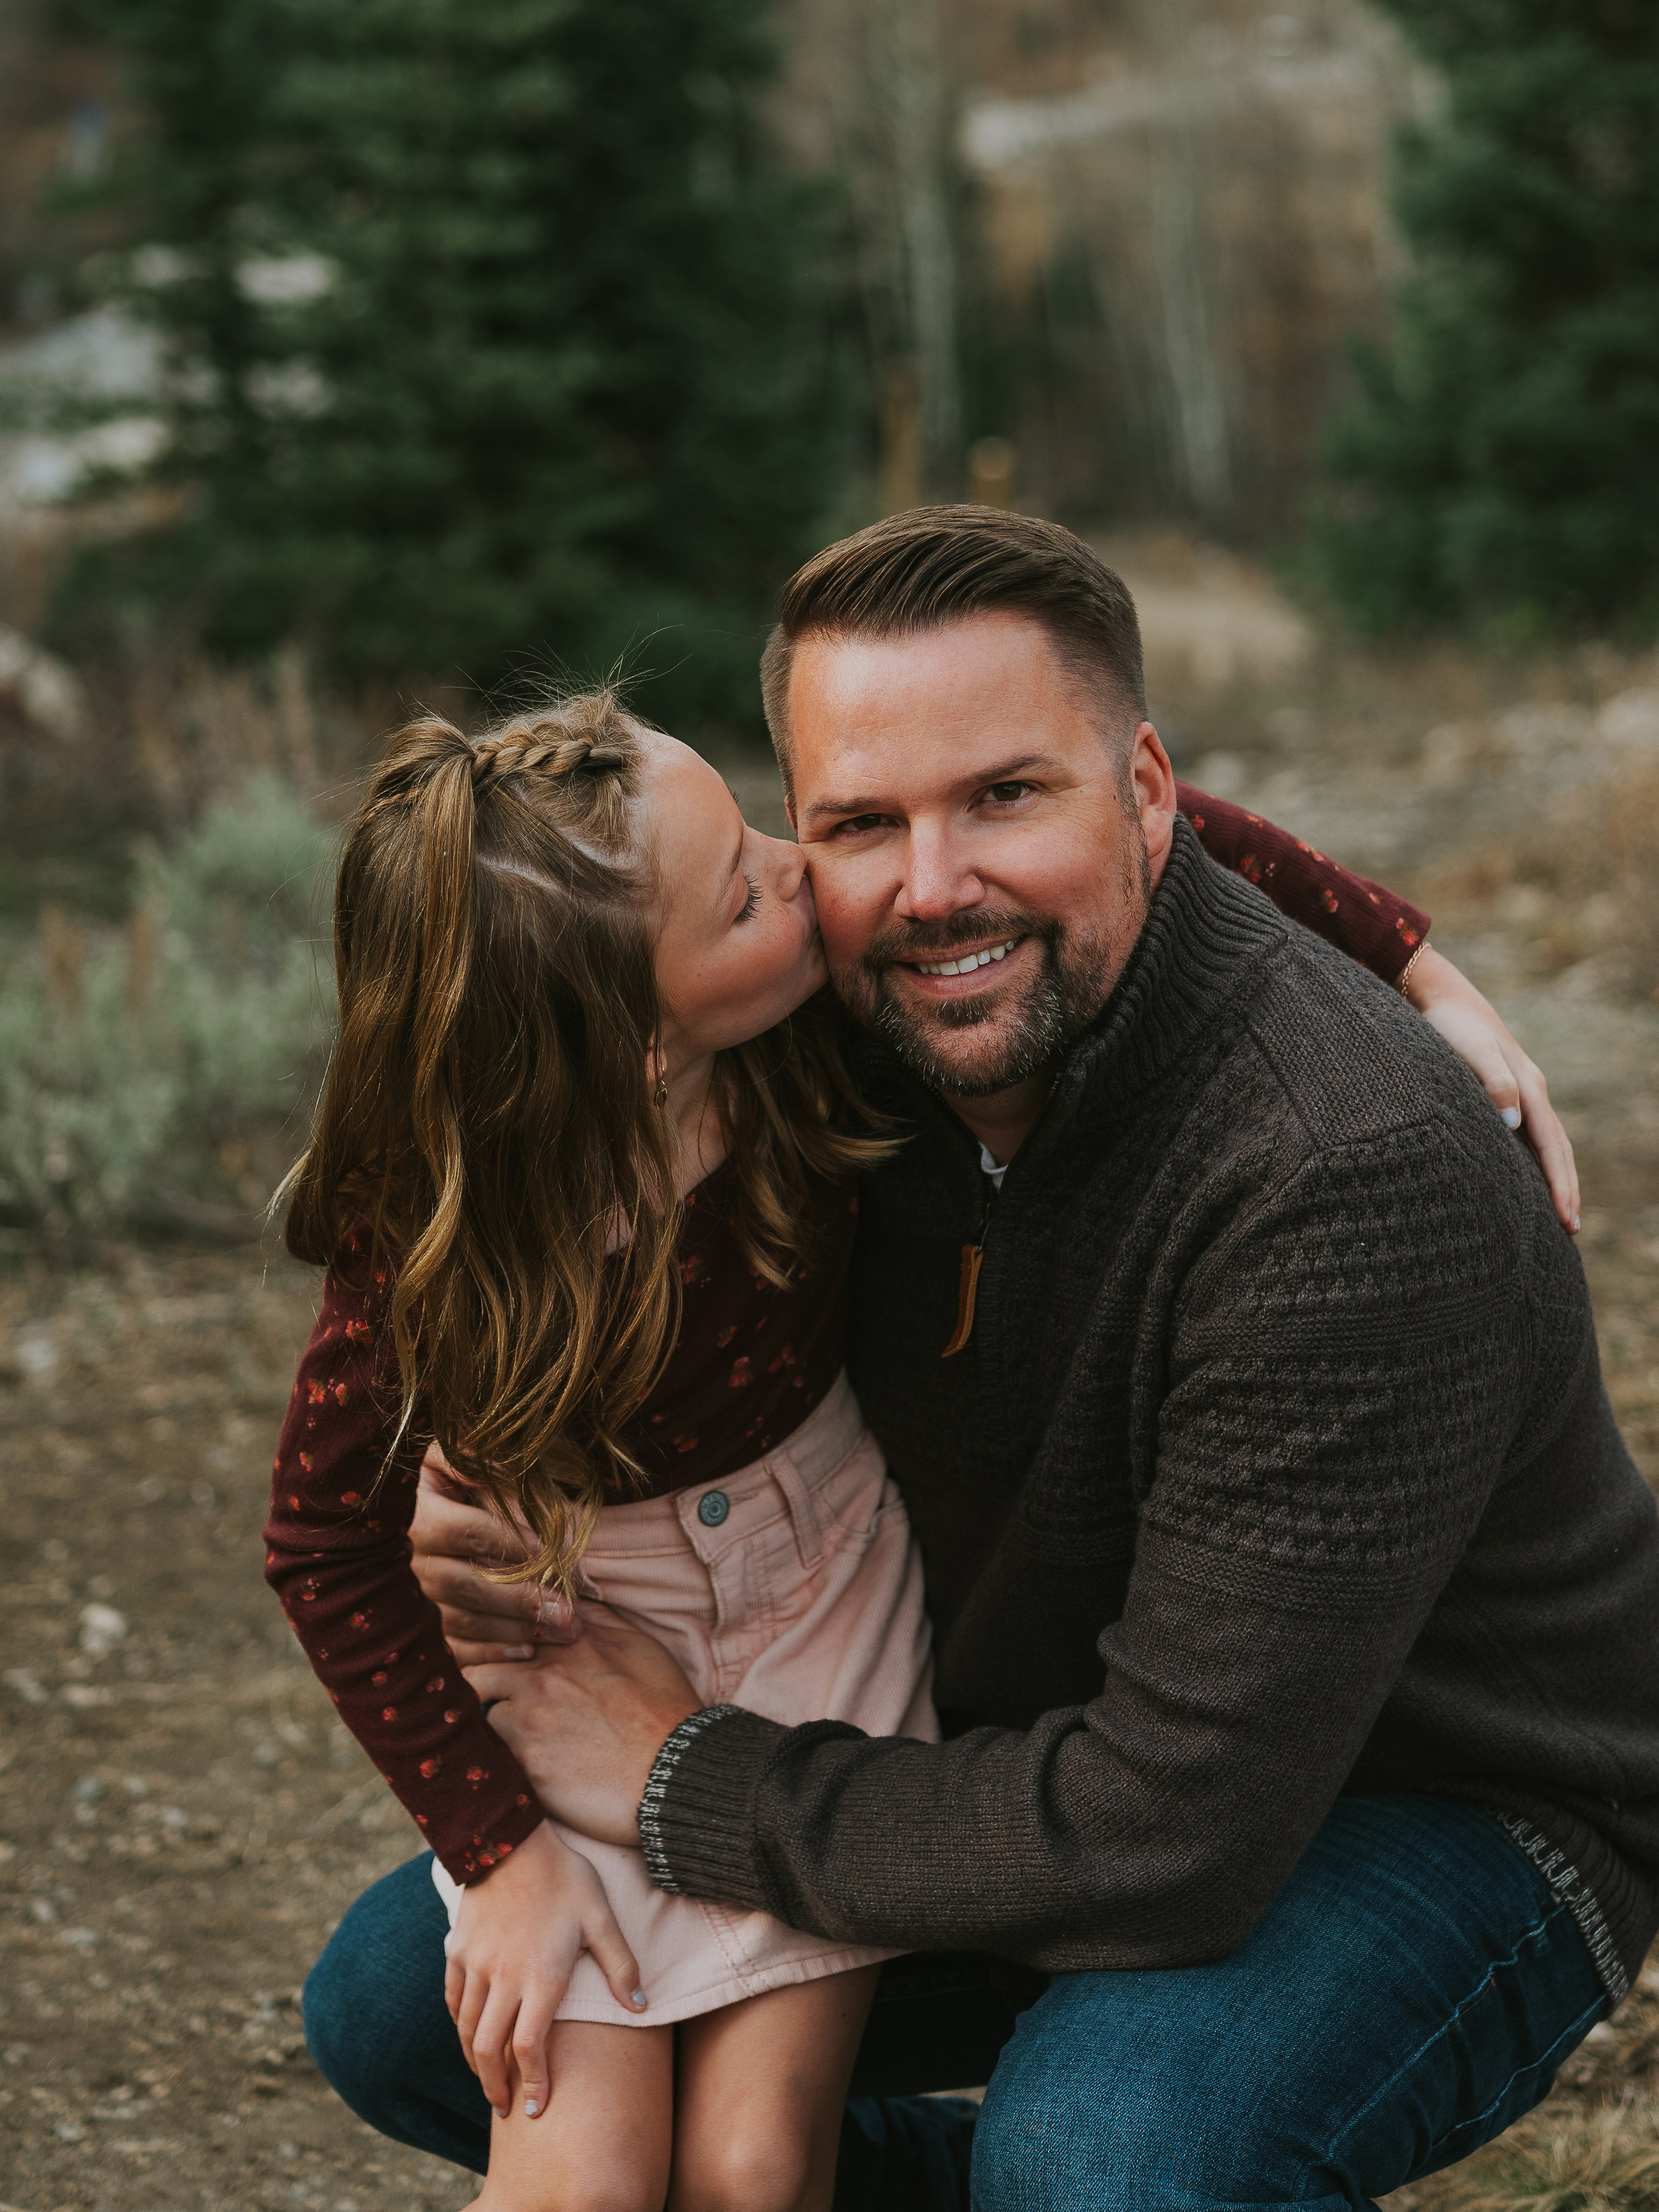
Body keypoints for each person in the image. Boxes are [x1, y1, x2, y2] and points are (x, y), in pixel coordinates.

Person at [300, 511, 1657, 2212]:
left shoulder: (1343, 1173)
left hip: (1423, 1802)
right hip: (1018, 1740)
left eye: (1009, 798)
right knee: (414, 2009)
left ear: (1147, 791)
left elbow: (1171, 1840)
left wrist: (678, 1775)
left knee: (1107, 2158)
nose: (935, 887)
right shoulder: (813, 1009)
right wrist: (501, 1496)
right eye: (862, 822)